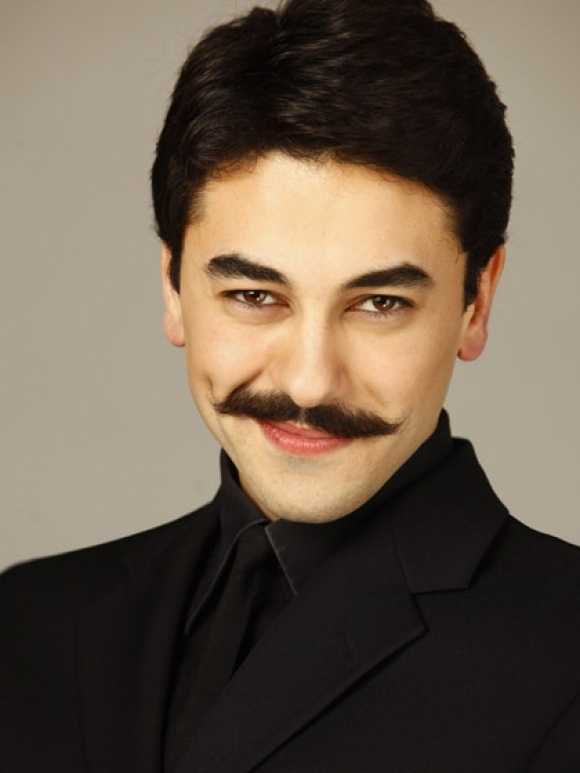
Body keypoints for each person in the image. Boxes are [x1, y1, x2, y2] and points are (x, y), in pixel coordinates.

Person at [2, 0, 579, 770]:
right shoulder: (29, 621)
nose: (309, 381)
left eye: (380, 303)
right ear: (173, 288)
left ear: (477, 301)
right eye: (254, 294)